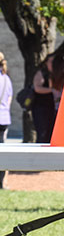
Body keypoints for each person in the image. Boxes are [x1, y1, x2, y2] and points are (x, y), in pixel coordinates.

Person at [31, 54, 59, 143]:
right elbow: (37, 88)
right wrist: (52, 90)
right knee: (42, 132)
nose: (52, 64)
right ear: (46, 62)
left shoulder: (56, 74)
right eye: (50, 61)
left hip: (51, 107)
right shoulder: (41, 73)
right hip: (41, 107)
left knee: (50, 133)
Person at [0, 52, 13, 189]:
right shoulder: (6, 79)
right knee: (2, 150)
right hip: (3, 117)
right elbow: (9, 99)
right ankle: (2, 182)